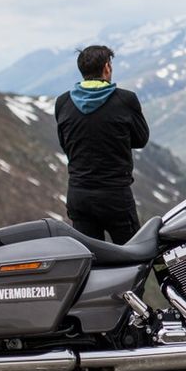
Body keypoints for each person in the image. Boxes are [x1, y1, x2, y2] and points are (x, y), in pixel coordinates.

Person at [55, 45, 149, 244]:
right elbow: (141, 139)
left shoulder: (63, 102)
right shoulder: (125, 99)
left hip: (78, 195)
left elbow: (66, 144)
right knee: (136, 255)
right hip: (115, 195)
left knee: (92, 261)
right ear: (107, 67)